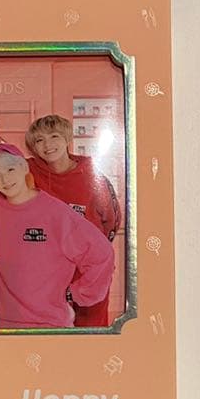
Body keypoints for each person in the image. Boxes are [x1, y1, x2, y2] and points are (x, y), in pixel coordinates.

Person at [0, 143, 114, 328]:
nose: (5, 179)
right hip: (6, 324)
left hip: (52, 325)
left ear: (24, 168)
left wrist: (78, 293)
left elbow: (101, 253)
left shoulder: (56, 213)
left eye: (10, 169)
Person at [25, 114, 121, 326]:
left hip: (87, 270)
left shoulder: (92, 174)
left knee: (90, 330)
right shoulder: (28, 171)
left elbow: (111, 220)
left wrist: (91, 252)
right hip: (48, 273)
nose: (47, 145)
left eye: (54, 136)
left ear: (67, 139)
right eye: (39, 140)